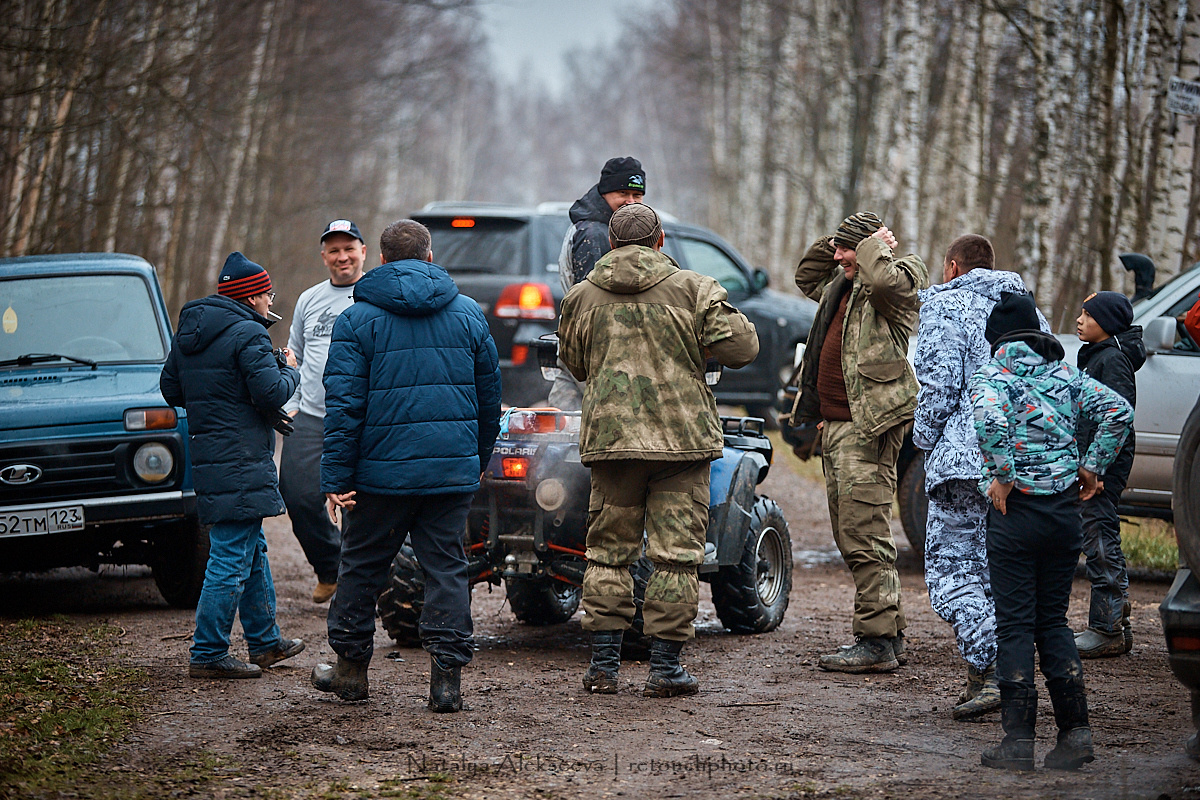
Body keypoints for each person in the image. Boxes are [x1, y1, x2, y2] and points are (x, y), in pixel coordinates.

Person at [557, 203, 758, 697]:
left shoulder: (580, 297)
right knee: (674, 559)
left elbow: (576, 365)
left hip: (613, 444)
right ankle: (665, 669)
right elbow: (744, 348)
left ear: (610, 243)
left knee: (607, 555)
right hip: (680, 445)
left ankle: (603, 668)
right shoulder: (695, 289)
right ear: (660, 240)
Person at [312, 219, 502, 712]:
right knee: (446, 570)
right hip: (449, 475)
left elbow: (344, 406)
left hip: (379, 477)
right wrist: (476, 461)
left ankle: (351, 673)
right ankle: (446, 684)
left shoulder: (356, 321)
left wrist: (337, 478)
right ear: (430, 257)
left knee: (360, 568)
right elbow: (489, 400)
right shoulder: (468, 314)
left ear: (380, 260)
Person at [971, 291, 1132, 771]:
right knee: (1054, 623)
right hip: (1064, 515)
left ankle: (1017, 745)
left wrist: (1001, 473)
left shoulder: (993, 375)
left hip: (1014, 515)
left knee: (1015, 625)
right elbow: (1118, 412)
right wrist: (1092, 466)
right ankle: (1075, 736)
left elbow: (989, 418)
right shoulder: (1066, 376)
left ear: (997, 339)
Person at [912, 234, 1048, 718]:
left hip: (965, 460)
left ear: (952, 266)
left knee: (952, 571)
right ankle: (991, 674)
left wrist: (925, 441)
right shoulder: (1025, 307)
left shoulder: (946, 307)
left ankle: (993, 671)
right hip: (1020, 460)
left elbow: (938, 383)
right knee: (997, 573)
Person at [790, 211, 927, 673]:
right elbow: (805, 275)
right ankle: (889, 634)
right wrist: (843, 241)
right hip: (840, 426)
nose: (839, 259)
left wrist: (871, 247)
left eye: (848, 251)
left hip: (868, 426)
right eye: (840, 251)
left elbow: (890, 286)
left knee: (864, 533)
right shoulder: (841, 285)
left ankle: (876, 641)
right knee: (855, 531)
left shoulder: (901, 275)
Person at [160, 252, 304, 679]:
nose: (269, 300)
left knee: (251, 545)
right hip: (240, 458)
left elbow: (171, 388)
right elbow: (273, 392)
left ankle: (264, 641)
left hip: (211, 455)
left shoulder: (192, 329)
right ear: (254, 296)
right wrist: (289, 368)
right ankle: (207, 652)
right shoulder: (249, 334)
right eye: (268, 293)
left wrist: (217, 403)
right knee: (228, 555)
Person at [280, 219, 367, 604]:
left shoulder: (374, 295)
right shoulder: (309, 299)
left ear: (363, 252)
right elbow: (293, 353)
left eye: (349, 248)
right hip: (312, 415)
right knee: (296, 495)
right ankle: (329, 568)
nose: (342, 256)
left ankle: (357, 587)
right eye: (334, 250)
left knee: (357, 503)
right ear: (324, 256)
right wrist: (293, 404)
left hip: (360, 417)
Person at [1073, 291, 1144, 657]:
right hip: (1093, 463)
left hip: (1102, 467)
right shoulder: (1098, 357)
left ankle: (1107, 627)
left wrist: (1095, 468)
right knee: (1095, 533)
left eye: (1089, 315)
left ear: (1109, 323)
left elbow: (1116, 419)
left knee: (1099, 539)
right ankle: (1118, 620)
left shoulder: (1112, 361)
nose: (1080, 320)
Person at [548, 156, 646, 411]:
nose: (631, 202)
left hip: (575, 342)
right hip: (595, 347)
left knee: (565, 423)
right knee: (602, 419)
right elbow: (594, 306)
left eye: (637, 195)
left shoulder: (606, 227)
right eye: (623, 193)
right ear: (605, 192)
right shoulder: (596, 234)